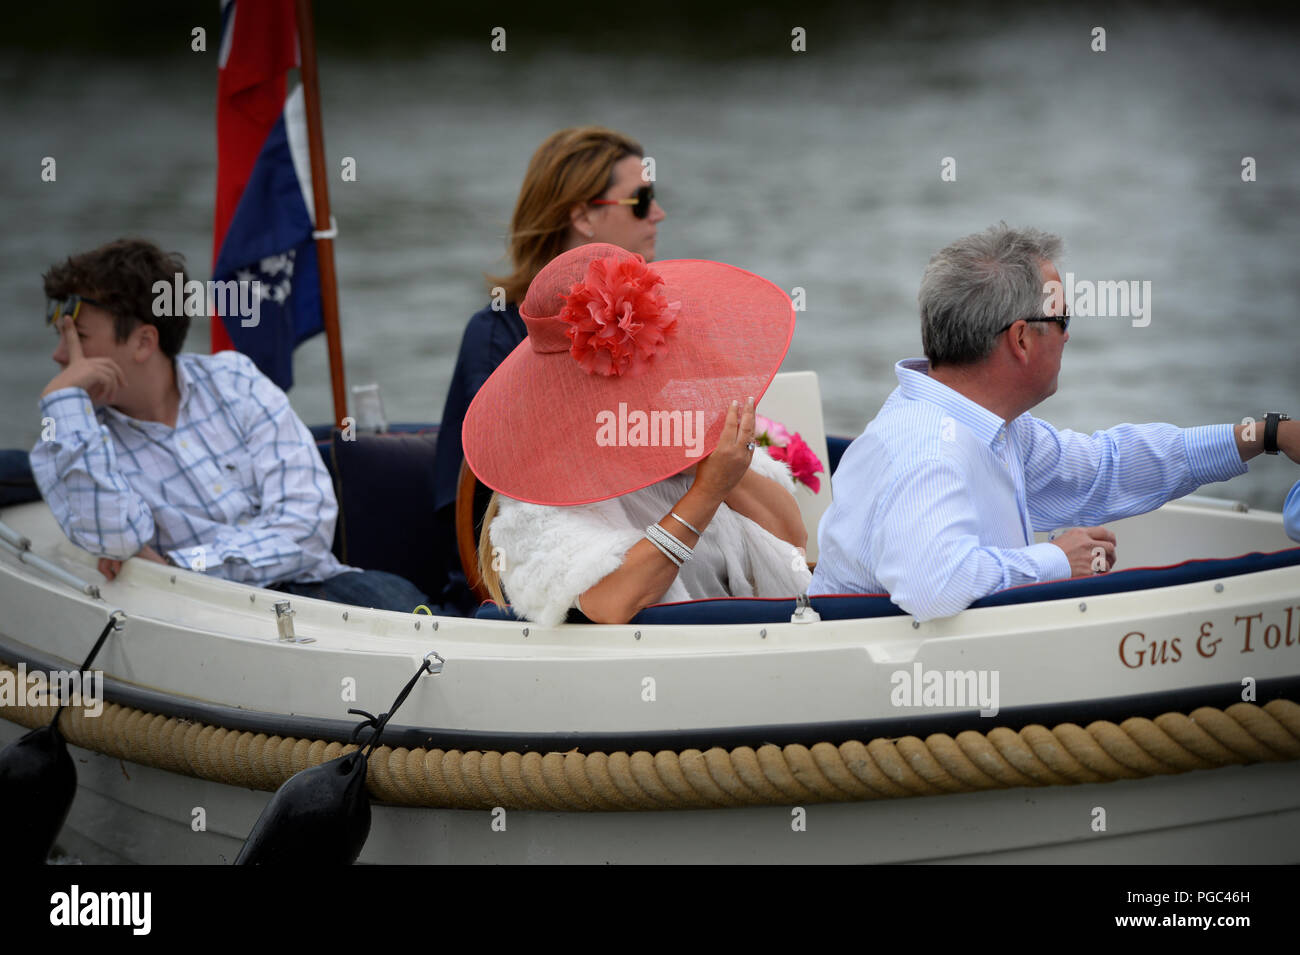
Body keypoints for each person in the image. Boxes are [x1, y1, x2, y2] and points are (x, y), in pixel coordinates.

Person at [810, 223, 1300, 621]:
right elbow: (934, 586)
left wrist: (1262, 435)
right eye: (1064, 320)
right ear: (1021, 339)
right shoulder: (927, 447)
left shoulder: (989, 424)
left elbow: (1104, 468)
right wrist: (1060, 561)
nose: (1068, 338)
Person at [30, 238, 427, 613]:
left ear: (143, 342)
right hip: (206, 619)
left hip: (323, 592)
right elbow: (115, 539)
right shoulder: (64, 442)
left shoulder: (234, 380)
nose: (60, 355)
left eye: (78, 337)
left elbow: (307, 528)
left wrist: (177, 566)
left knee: (421, 615)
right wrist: (64, 401)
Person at [460, 243, 810, 626]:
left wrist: (712, 464)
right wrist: (706, 494)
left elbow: (791, 539)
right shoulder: (534, 507)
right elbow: (614, 601)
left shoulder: (676, 429)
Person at [432, 126, 665, 613]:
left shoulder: (648, 328)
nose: (658, 214)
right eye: (641, 200)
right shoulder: (497, 336)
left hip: (634, 560)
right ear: (582, 215)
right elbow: (493, 506)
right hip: (523, 586)